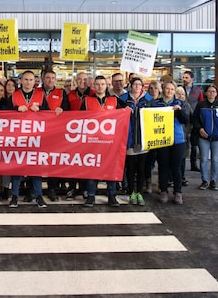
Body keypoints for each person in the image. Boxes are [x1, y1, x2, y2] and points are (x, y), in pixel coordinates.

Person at [81, 75, 128, 207]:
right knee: (92, 169)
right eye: (97, 84)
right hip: (92, 142)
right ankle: (91, 196)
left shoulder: (114, 100)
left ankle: (112, 195)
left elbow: (125, 113)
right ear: (93, 86)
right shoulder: (86, 101)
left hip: (110, 142)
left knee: (110, 168)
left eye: (102, 84)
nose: (100, 86)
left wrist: (128, 110)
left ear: (106, 86)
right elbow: (78, 119)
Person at [9, 70, 49, 208]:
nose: (28, 82)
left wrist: (40, 110)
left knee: (36, 169)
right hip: (18, 138)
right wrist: (15, 109)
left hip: (35, 138)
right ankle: (14, 196)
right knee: (17, 168)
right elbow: (4, 115)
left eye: (31, 80)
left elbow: (48, 114)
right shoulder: (14, 96)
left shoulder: (40, 94)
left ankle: (38, 196)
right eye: (26, 79)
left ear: (35, 81)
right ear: (20, 81)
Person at [152, 80, 189, 205]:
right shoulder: (156, 103)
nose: (169, 91)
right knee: (163, 166)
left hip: (178, 139)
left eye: (172, 89)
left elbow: (186, 120)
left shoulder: (180, 103)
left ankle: (178, 192)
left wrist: (179, 111)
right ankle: (163, 190)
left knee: (176, 167)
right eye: (167, 88)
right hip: (161, 139)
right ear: (163, 89)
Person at [65, 72, 95, 200]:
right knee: (73, 162)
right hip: (73, 134)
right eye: (79, 79)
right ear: (76, 81)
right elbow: (65, 111)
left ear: (88, 81)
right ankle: (72, 188)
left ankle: (84, 189)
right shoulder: (70, 94)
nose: (82, 82)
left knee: (86, 163)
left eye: (84, 79)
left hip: (89, 133)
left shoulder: (93, 94)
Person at [40, 70, 69, 202]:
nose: (50, 80)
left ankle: (52, 189)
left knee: (53, 161)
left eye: (53, 78)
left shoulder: (62, 93)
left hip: (55, 132)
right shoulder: (36, 92)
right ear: (42, 78)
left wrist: (62, 110)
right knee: (34, 160)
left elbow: (68, 110)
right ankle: (33, 189)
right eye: (48, 78)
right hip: (37, 132)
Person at [192, 84, 218, 191]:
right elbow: (195, 119)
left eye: (214, 91)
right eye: (210, 91)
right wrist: (200, 129)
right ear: (206, 93)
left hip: (217, 138)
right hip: (204, 137)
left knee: (215, 160)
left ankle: (213, 181)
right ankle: (204, 181)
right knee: (203, 159)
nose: (212, 93)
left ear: (216, 93)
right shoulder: (201, 105)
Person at [124, 77, 153, 206]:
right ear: (130, 86)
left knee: (141, 168)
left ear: (142, 86)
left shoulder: (149, 100)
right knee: (130, 168)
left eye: (139, 84)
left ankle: (139, 192)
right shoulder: (123, 99)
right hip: (129, 139)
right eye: (134, 84)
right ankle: (131, 192)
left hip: (143, 138)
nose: (137, 86)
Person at [182, 70, 203, 172]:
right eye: (184, 77)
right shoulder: (179, 89)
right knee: (184, 143)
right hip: (183, 119)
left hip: (194, 119)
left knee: (194, 144)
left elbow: (201, 104)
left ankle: (193, 164)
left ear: (192, 79)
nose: (184, 79)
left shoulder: (198, 90)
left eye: (187, 77)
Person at [143, 80, 161, 194]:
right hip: (149, 137)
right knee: (148, 163)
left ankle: (161, 185)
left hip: (161, 137)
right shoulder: (146, 102)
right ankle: (148, 184)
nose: (153, 90)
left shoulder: (163, 102)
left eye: (156, 88)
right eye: (151, 88)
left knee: (162, 162)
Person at [175, 86, 191, 186]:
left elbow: (190, 121)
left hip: (185, 136)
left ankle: (182, 177)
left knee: (183, 158)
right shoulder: (172, 106)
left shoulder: (188, 106)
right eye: (178, 94)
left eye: (182, 94)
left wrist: (188, 132)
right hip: (175, 136)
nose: (180, 96)